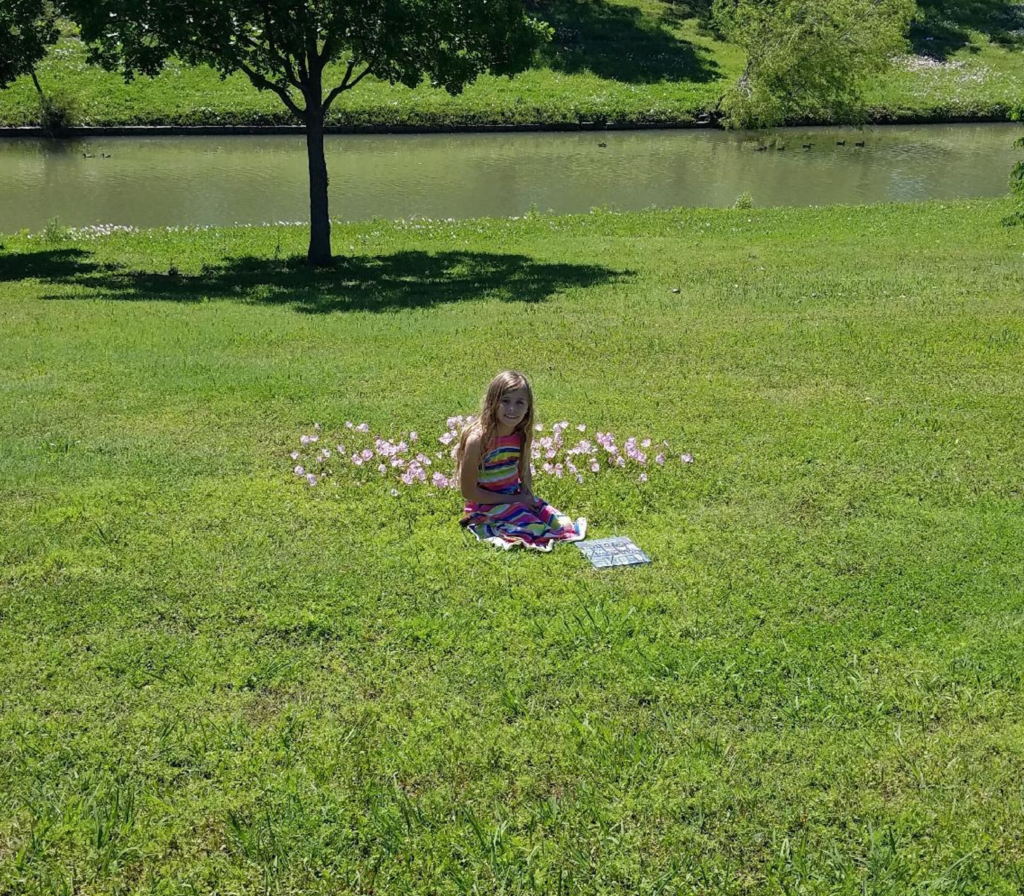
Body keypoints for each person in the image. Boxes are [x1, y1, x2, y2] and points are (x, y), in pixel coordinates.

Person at [456, 371, 586, 551]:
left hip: (513, 497)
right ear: (492, 402)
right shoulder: (478, 440)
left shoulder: (520, 435)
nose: (512, 409)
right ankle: (486, 520)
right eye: (505, 401)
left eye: (519, 403)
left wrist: (527, 496)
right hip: (485, 505)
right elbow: (468, 492)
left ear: (528, 408)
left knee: (562, 526)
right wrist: (515, 499)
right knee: (533, 531)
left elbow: (523, 470)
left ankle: (521, 511)